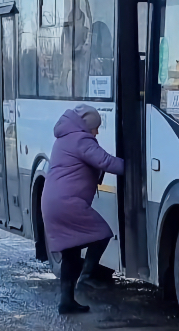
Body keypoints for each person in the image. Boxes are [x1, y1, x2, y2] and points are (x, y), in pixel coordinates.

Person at [40, 105, 125, 314]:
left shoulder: (64, 138)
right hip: (67, 203)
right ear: (87, 125)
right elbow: (105, 161)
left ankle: (66, 301)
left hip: (53, 201)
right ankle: (87, 277)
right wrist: (136, 166)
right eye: (95, 128)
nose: (97, 132)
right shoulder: (80, 140)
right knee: (102, 234)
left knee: (70, 252)